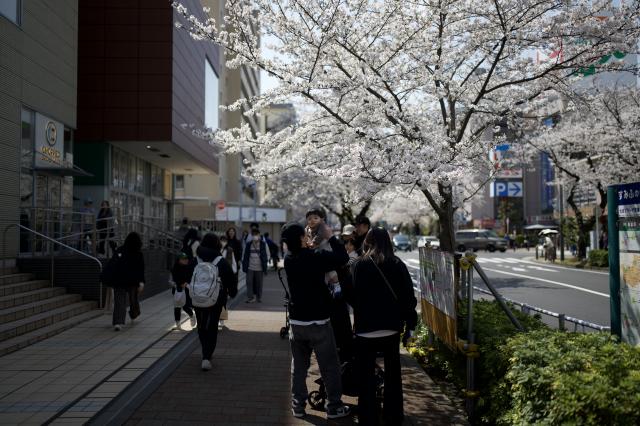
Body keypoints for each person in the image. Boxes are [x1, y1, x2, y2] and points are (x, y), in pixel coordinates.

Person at [281, 221, 351, 420]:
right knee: (329, 366)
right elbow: (343, 258)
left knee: (299, 367)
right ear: (301, 239)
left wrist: (307, 246)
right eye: (305, 234)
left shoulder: (288, 259)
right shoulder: (317, 256)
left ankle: (298, 405)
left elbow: (303, 256)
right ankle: (334, 407)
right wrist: (330, 237)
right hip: (318, 321)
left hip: (297, 322)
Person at [351, 227, 418, 425]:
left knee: (366, 376)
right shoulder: (397, 264)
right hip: (390, 328)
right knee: (393, 375)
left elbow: (352, 295)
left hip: (365, 329)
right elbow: (409, 298)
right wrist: (410, 324)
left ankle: (367, 417)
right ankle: (393, 416)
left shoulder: (358, 265)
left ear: (367, 242)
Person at [190, 233, 237, 371]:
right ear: (217, 244)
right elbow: (231, 279)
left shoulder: (196, 259)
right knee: (212, 326)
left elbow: (188, 276)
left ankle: (205, 350)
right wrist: (232, 292)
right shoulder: (220, 261)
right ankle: (206, 356)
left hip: (197, 298)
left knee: (201, 325)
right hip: (216, 299)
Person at [305, 208, 342, 298]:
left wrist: (311, 244)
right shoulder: (308, 229)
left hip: (326, 253)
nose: (312, 220)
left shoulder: (323, 228)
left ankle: (337, 285)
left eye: (315, 218)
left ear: (322, 220)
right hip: (319, 255)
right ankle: (329, 288)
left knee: (331, 272)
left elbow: (317, 239)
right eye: (309, 219)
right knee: (324, 275)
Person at [112, 232, 145, 331]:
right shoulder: (138, 253)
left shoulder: (120, 250)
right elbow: (141, 269)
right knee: (133, 299)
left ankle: (118, 322)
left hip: (119, 279)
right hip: (132, 280)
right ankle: (134, 314)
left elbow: (114, 264)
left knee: (119, 301)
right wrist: (141, 282)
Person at [170, 252, 196, 330]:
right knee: (177, 307)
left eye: (186, 259)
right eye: (183, 259)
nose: (186, 260)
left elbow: (191, 276)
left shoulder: (189, 267)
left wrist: (186, 282)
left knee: (185, 306)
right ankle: (178, 325)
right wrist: (180, 283)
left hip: (186, 289)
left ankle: (192, 315)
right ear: (179, 260)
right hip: (177, 289)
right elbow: (174, 278)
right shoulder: (175, 268)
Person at [242, 229, 268, 303]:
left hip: (259, 267)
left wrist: (265, 265)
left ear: (259, 235)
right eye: (253, 234)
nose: (255, 236)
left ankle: (258, 297)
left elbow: (266, 255)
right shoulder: (249, 244)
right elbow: (245, 255)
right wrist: (244, 265)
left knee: (259, 283)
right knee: (249, 282)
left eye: (256, 234)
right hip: (250, 267)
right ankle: (250, 297)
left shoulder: (263, 244)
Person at [219, 236, 238, 327]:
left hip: (226, 276)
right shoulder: (216, 249)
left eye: (225, 241)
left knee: (223, 298)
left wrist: (232, 273)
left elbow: (233, 262)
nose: (223, 242)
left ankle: (222, 319)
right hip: (217, 276)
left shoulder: (230, 250)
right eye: (222, 240)